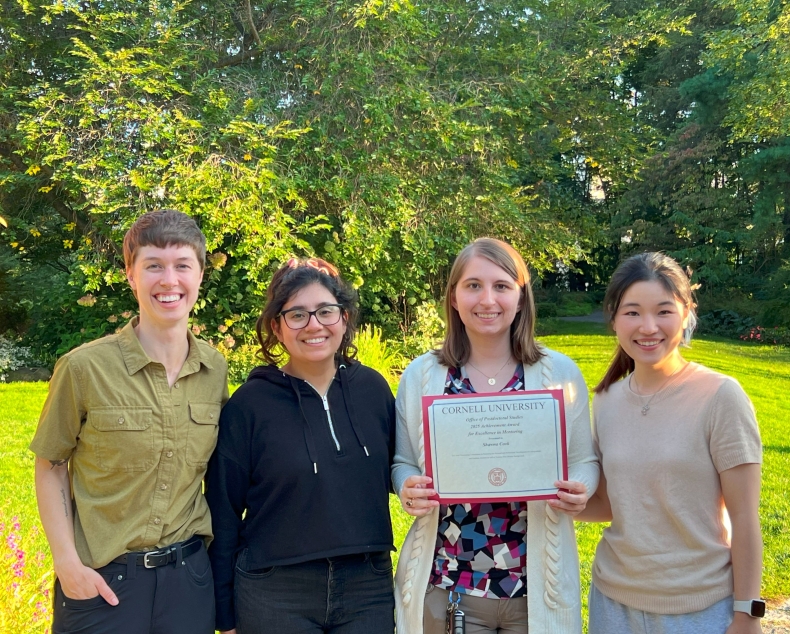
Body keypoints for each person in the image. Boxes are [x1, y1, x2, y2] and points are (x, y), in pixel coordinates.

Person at [30, 209, 229, 634]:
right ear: (130, 274)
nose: (169, 280)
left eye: (182, 266)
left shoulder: (215, 370)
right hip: (102, 584)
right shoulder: (84, 368)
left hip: (188, 583)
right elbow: (50, 464)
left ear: (199, 276)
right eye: (153, 265)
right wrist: (67, 564)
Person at [392, 238, 599, 634]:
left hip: (535, 590)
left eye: (502, 286)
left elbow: (584, 460)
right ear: (453, 297)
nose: (487, 299)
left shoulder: (560, 374)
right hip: (449, 584)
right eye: (473, 285)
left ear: (521, 298)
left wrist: (581, 488)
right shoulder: (422, 376)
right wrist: (406, 487)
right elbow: (402, 461)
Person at [206, 257, 396, 634]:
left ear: (344, 319)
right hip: (274, 589)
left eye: (326, 311)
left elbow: (403, 469)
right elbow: (222, 510)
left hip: (367, 585)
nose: (314, 325)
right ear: (277, 327)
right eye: (297, 315)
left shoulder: (373, 391)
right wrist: (224, 613)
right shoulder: (249, 405)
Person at [579, 252, 764, 634]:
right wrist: (543, 496)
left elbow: (745, 516)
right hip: (612, 603)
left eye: (663, 311)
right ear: (613, 319)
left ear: (686, 313)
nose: (648, 327)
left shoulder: (721, 396)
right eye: (632, 312)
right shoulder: (606, 400)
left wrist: (747, 616)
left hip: (700, 609)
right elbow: (611, 505)